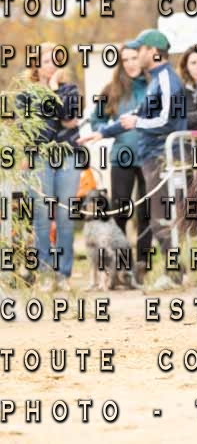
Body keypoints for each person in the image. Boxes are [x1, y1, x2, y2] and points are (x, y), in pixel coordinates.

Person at [79, 29, 188, 289]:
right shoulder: (156, 80)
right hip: (148, 156)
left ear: (153, 51)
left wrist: (138, 122)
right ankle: (166, 273)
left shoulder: (167, 80)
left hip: (161, 156)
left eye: (139, 50)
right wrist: (103, 133)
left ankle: (174, 275)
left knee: (159, 218)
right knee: (156, 219)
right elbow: (135, 115)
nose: (136, 56)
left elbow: (166, 120)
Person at [16, 42, 84, 291]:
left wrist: (54, 91)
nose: (52, 65)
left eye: (56, 60)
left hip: (68, 156)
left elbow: (68, 118)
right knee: (42, 217)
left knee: (65, 216)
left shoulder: (70, 89)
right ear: (36, 65)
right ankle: (44, 272)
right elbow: (33, 130)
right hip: (39, 158)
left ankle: (63, 274)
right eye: (46, 61)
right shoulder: (26, 94)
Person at [87, 46, 151, 263]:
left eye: (134, 58)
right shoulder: (111, 90)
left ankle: (143, 263)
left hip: (149, 157)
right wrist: (111, 128)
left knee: (146, 212)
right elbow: (96, 121)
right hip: (122, 157)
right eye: (126, 60)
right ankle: (122, 265)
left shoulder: (154, 86)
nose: (131, 63)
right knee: (121, 211)